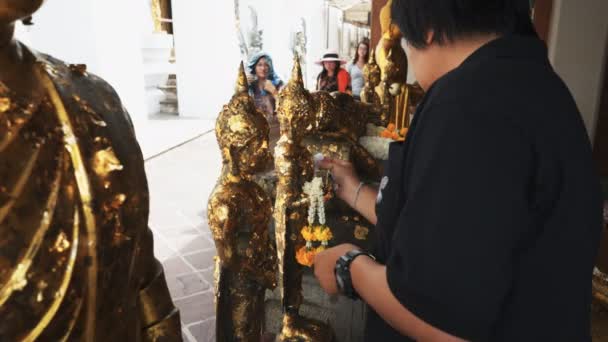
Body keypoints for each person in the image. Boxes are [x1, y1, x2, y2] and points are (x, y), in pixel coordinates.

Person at [313, 0, 604, 341]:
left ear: (428, 26)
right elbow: (452, 229)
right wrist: (354, 190)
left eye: (406, 43)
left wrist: (350, 268)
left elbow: (442, 322)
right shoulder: (532, 86)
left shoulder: (469, 105)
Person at [247, 51, 283, 124]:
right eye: (259, 65)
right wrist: (243, 86)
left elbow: (288, 106)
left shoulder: (278, 84)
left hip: (276, 128)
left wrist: (274, 92)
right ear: (254, 67)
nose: (263, 68)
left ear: (270, 67)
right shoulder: (251, 87)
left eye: (266, 65)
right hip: (257, 128)